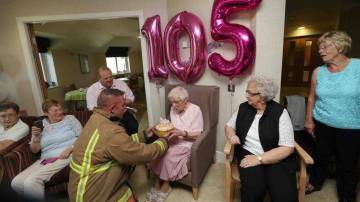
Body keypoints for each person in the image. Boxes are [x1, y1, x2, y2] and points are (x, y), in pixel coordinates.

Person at [68, 88, 170, 202]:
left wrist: (145, 135)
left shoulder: (97, 118)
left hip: (87, 185)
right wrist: (164, 142)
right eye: (123, 105)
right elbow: (140, 154)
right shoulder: (109, 131)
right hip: (92, 193)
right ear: (112, 109)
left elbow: (120, 143)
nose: (125, 109)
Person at [304, 31, 360, 202]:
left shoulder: (358, 66)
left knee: (347, 164)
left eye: (325, 46)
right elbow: (312, 97)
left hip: (351, 127)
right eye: (319, 47)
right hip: (322, 122)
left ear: (341, 47)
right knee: (320, 157)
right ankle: (315, 181)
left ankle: (347, 195)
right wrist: (308, 120)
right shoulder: (318, 72)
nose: (320, 50)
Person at [225, 75, 297, 202]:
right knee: (254, 190)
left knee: (283, 195)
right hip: (248, 153)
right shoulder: (243, 108)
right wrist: (232, 135)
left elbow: (287, 148)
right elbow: (229, 126)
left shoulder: (280, 112)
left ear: (262, 96)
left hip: (276, 156)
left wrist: (259, 159)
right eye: (246, 91)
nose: (246, 95)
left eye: (250, 93)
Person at [11, 99, 82, 200]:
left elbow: (83, 137)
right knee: (16, 182)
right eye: (55, 111)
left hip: (65, 155)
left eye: (60, 109)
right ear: (45, 113)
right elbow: (35, 150)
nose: (60, 112)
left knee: (32, 181)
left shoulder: (70, 119)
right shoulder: (39, 125)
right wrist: (36, 137)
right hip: (46, 159)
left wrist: (71, 148)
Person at [146, 86, 204, 202]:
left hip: (186, 143)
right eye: (171, 102)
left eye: (176, 102)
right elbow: (170, 127)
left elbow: (199, 134)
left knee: (168, 156)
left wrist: (183, 133)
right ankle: (157, 183)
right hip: (172, 140)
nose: (173, 105)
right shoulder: (174, 108)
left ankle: (165, 186)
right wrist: (159, 130)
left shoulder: (195, 110)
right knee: (157, 151)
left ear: (185, 100)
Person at [86, 66, 138, 135]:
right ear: (99, 79)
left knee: (133, 126)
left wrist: (122, 103)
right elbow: (91, 108)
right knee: (110, 133)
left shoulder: (121, 84)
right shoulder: (92, 90)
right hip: (104, 117)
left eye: (110, 77)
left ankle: (132, 143)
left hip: (122, 112)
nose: (109, 80)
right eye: (106, 78)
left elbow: (131, 97)